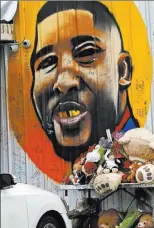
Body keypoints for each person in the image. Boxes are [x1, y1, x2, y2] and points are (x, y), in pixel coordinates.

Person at [29, 1, 140, 163]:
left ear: (123, 70)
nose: (64, 82)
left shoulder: (141, 151)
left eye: (86, 52)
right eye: (47, 62)